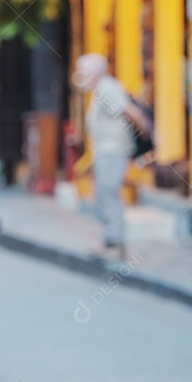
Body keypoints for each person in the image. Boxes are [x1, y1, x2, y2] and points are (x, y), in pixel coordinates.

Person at [74, 53, 147, 260]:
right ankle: (110, 240)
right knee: (103, 193)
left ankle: (115, 242)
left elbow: (129, 110)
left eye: (83, 72)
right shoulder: (100, 91)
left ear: (93, 73)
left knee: (107, 192)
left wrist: (144, 133)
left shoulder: (107, 87)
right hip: (106, 150)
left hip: (113, 149)